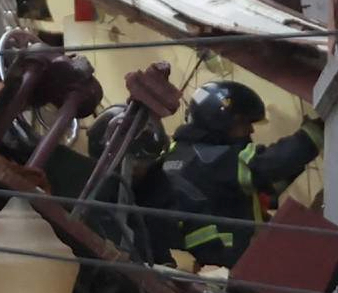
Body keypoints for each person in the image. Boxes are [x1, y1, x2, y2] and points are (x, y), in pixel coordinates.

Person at [161, 80, 323, 268]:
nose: (251, 130)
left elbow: (260, 189)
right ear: (221, 122)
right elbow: (271, 164)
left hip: (203, 267)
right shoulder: (215, 159)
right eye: (244, 122)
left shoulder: (177, 153)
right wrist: (315, 131)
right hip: (229, 265)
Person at [83, 104, 179, 265]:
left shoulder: (159, 191)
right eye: (130, 164)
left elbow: (159, 250)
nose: (134, 170)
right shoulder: (83, 186)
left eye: (143, 164)